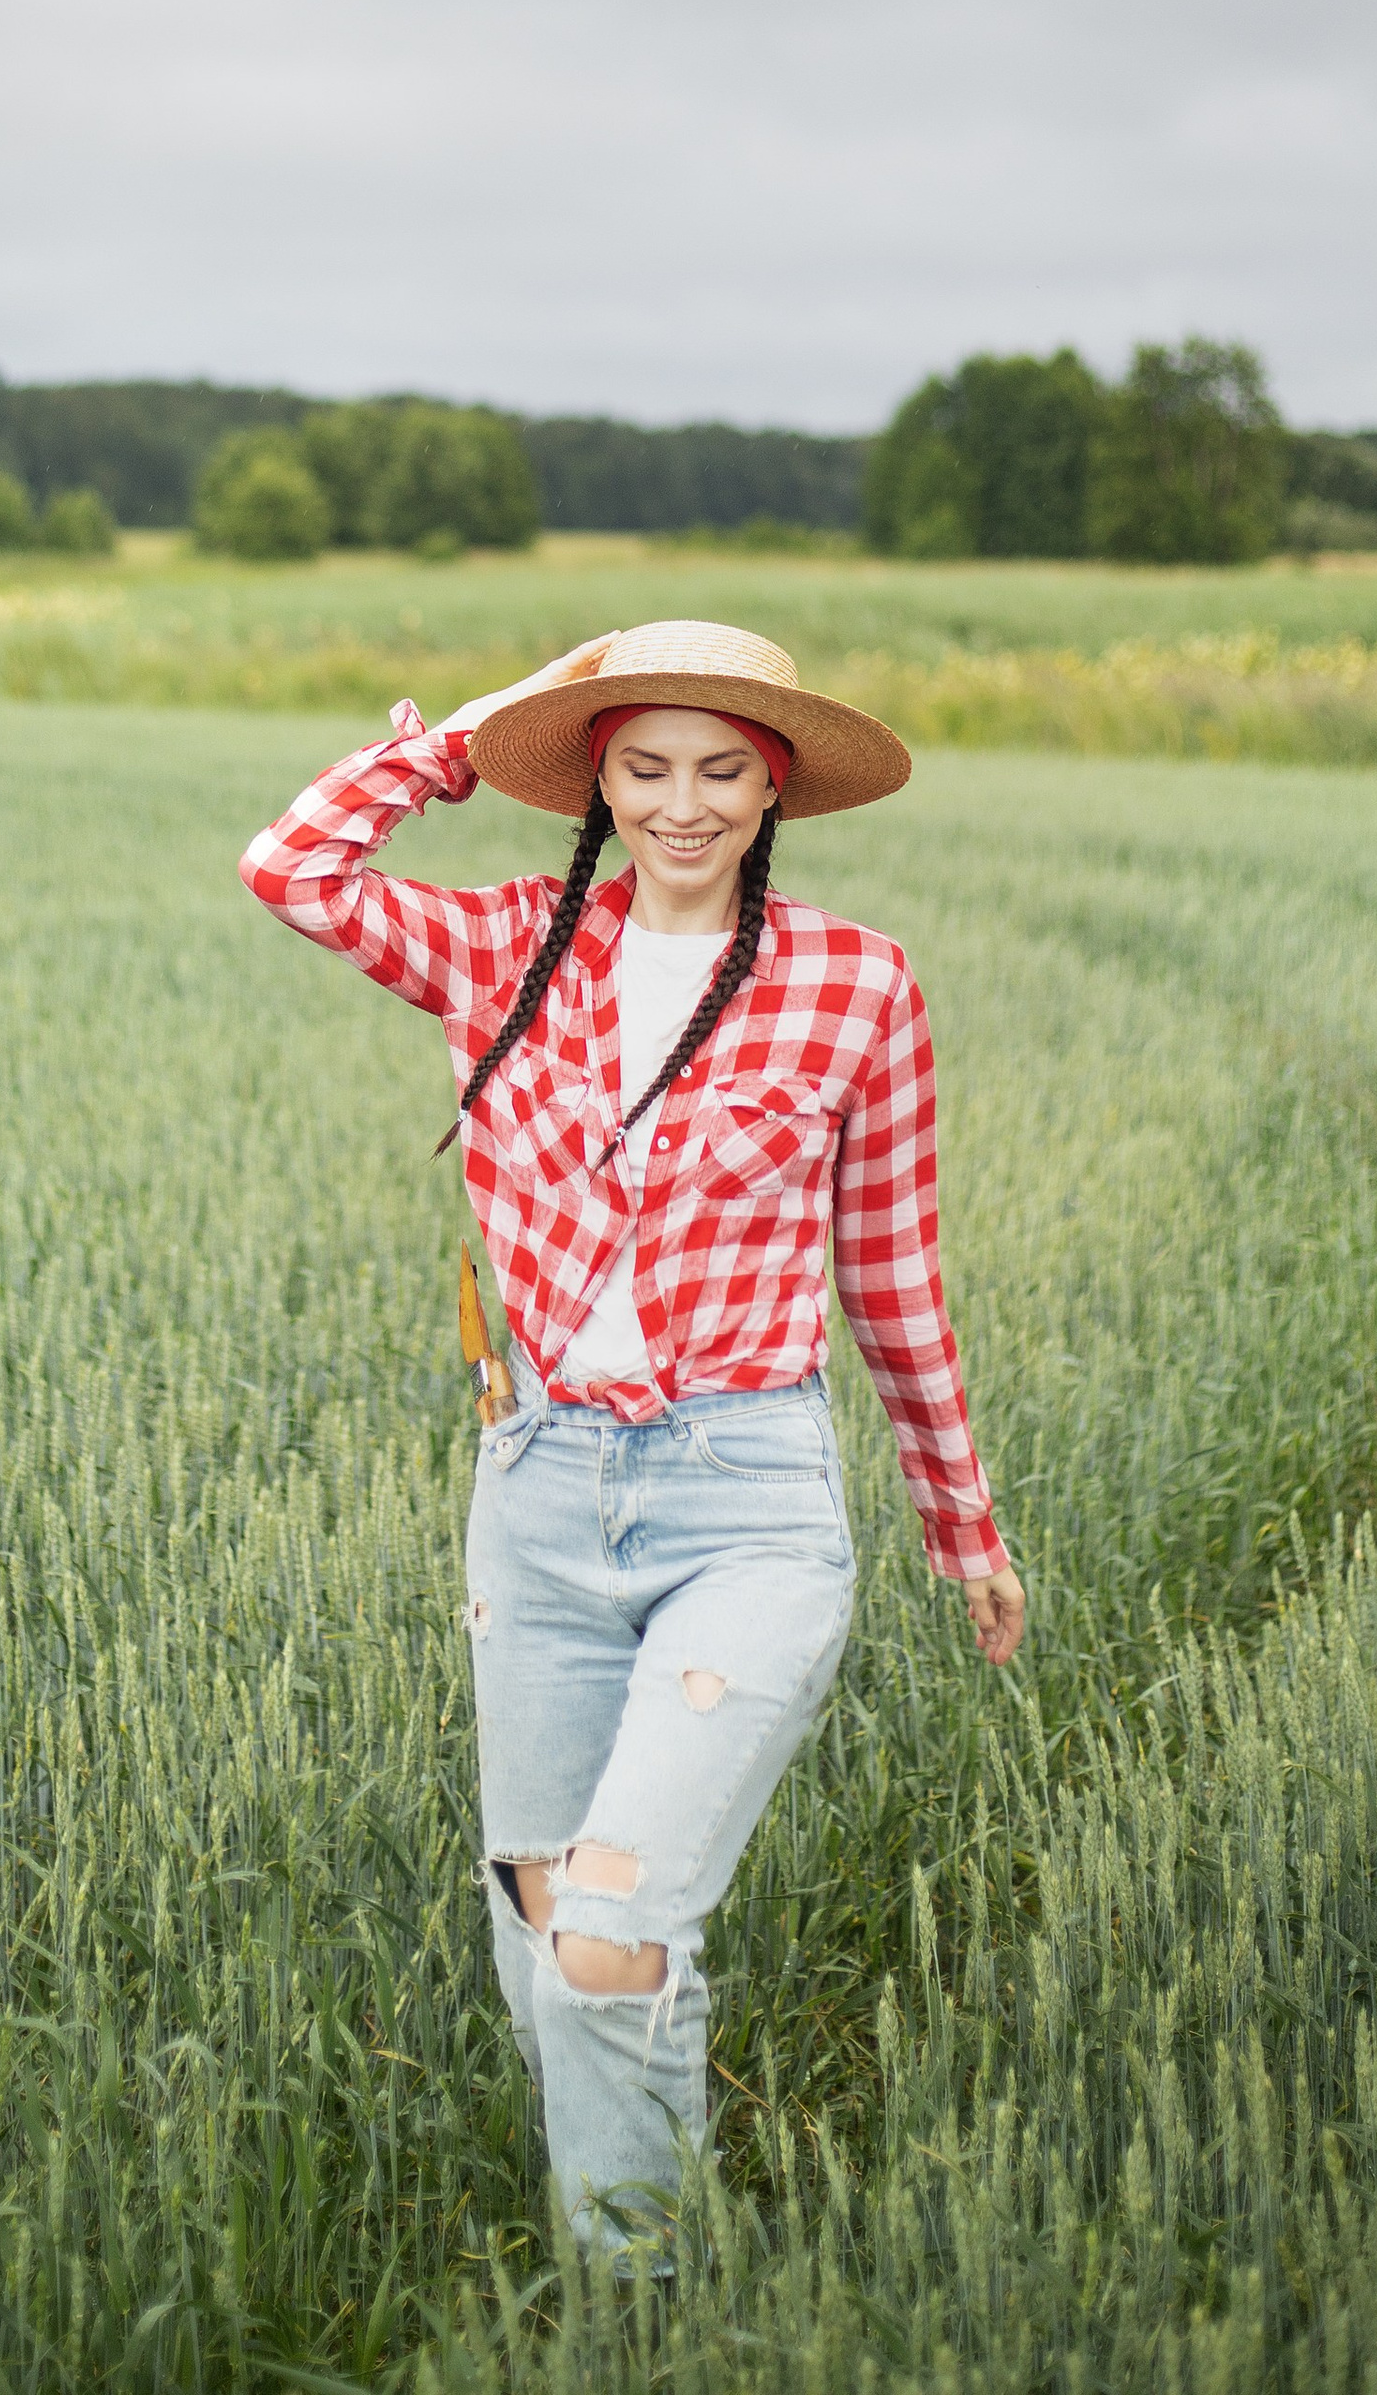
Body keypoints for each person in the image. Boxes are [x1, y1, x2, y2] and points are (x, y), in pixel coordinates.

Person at [240, 618, 1022, 2255]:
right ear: (598, 777)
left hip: (746, 1494)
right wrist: (460, 738)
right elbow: (293, 868)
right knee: (546, 1912)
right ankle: (639, 2270)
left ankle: (646, 2281)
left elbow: (890, 1280)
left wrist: (963, 1525)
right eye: (647, 765)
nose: (684, 803)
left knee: (605, 1929)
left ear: (775, 787)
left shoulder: (856, 984)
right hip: (540, 1490)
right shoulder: (507, 945)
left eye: (724, 770)